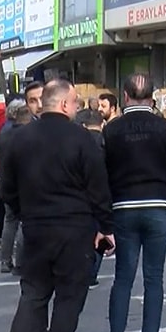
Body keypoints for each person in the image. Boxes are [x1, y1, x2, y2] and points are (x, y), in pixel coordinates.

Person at [0, 79, 113, 332]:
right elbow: (98, 187)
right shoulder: (82, 139)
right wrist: (106, 227)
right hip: (73, 228)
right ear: (64, 104)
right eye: (75, 103)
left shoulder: (19, 139)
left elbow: (6, 187)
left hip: (35, 226)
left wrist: (25, 211)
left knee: (33, 292)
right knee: (69, 295)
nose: (77, 108)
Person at [101, 73, 166, 332]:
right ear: (152, 98)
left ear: (125, 96)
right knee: (154, 278)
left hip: (123, 207)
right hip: (159, 206)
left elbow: (100, 175)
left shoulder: (111, 130)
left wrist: (105, 215)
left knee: (123, 278)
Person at [0, 99, 31, 274]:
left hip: (6, 180)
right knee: (24, 223)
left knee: (9, 222)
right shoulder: (27, 135)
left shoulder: (4, 132)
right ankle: (20, 263)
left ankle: (5, 260)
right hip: (23, 184)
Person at [76, 107, 106, 287]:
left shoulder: (78, 142)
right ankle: (92, 272)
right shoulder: (106, 141)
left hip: (81, 197)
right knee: (100, 235)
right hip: (102, 197)